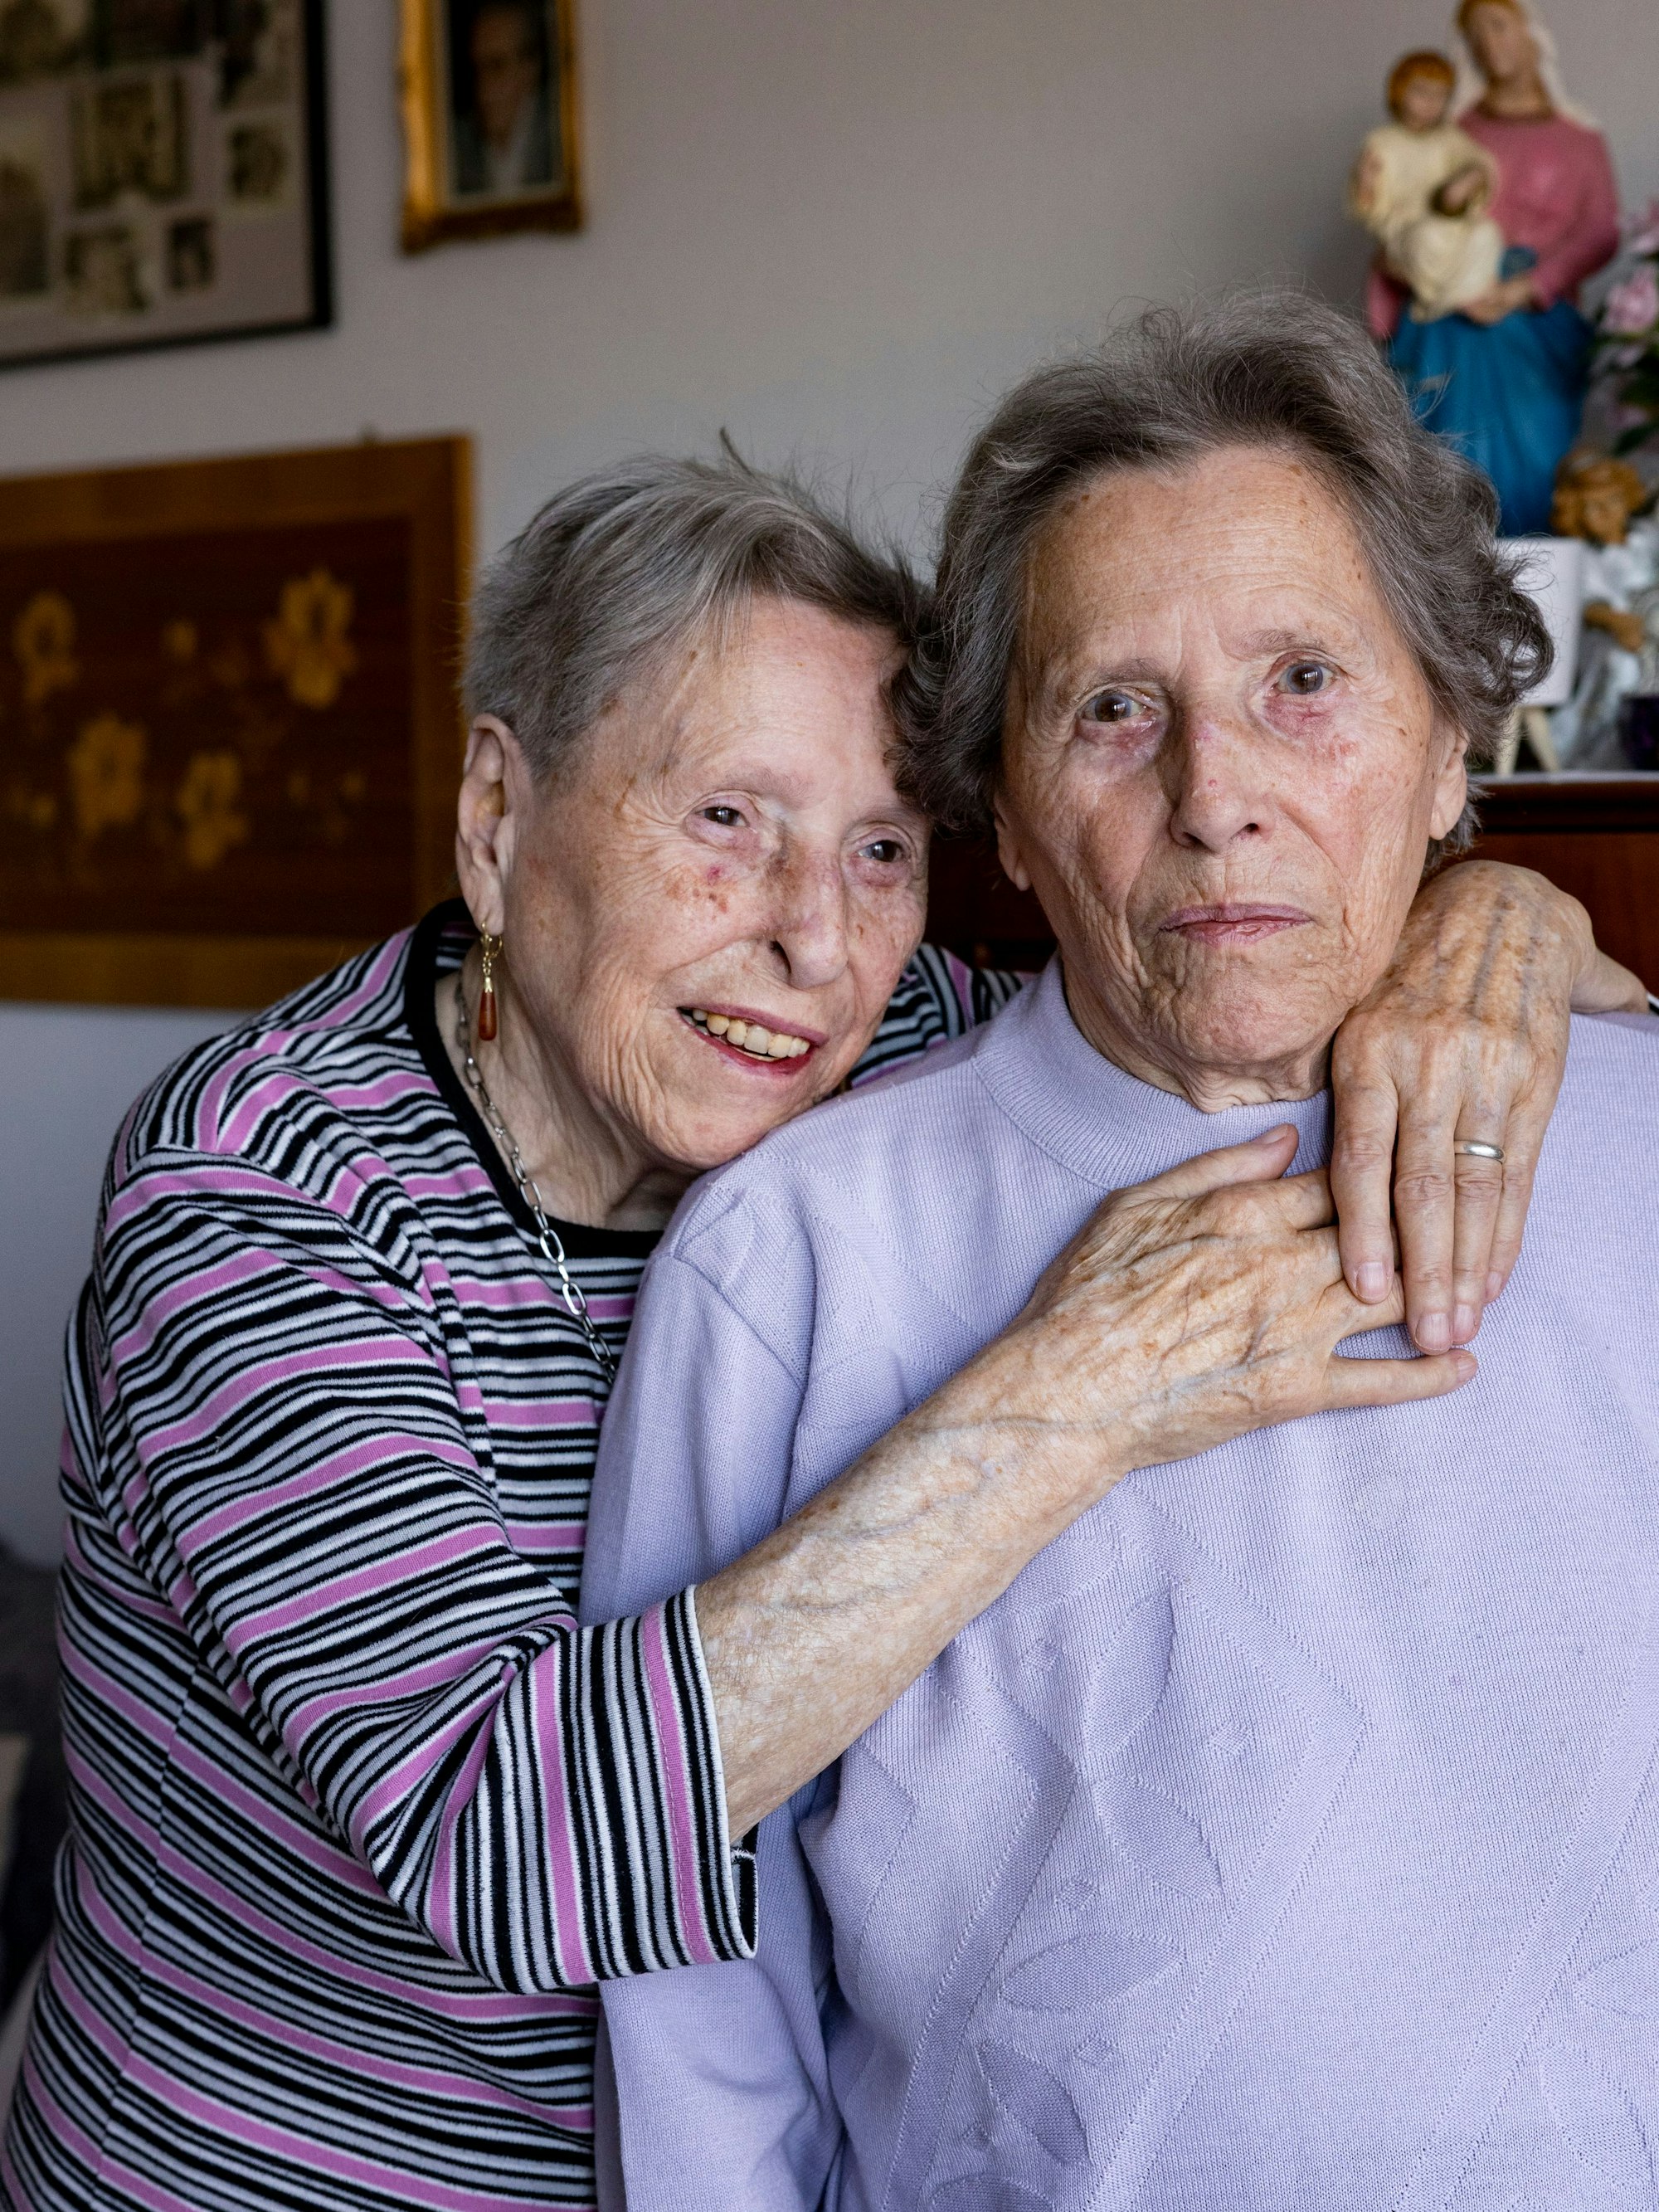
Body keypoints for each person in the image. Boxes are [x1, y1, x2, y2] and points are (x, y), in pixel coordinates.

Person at [0, 446, 1639, 2212]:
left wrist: (1490, 915)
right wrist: (1079, 1393)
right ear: (497, 812)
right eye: (724, 821)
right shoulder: (258, 1204)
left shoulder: (872, 1031)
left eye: (876, 847)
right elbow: (511, 1844)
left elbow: (1200, 956)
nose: (805, 935)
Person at [586, 302, 1659, 2210]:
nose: (1210, 790)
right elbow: (692, 1974)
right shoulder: (794, 1253)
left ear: (1446, 748)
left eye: (1304, 679)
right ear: (998, 798)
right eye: (1109, 706)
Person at [1377, 0, 1619, 536]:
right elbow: (1403, 222)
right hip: (1451, 316)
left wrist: (1526, 288)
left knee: (1537, 453)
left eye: (1499, 25)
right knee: (1446, 455)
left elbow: (1600, 231)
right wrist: (1430, 277)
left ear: (1532, 33)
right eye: (1475, 33)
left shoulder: (1579, 139)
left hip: (1535, 322)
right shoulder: (1450, 133)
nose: (1490, 44)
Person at [1349, 51, 1502, 323]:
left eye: (1441, 95)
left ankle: (1463, 294)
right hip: (1407, 226)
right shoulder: (1382, 143)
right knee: (1428, 239)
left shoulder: (1449, 138)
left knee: (1487, 233)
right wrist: (1366, 183)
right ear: (1400, 91)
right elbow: (1370, 210)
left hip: (1453, 222)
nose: (1431, 103)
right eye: (1421, 92)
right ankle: (1442, 300)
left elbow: (1478, 163)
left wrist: (1471, 178)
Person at [452, 0, 557, 197]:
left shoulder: (561, 139)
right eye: (477, 69)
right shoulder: (455, 148)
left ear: (530, 68)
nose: (483, 86)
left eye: (496, 66)